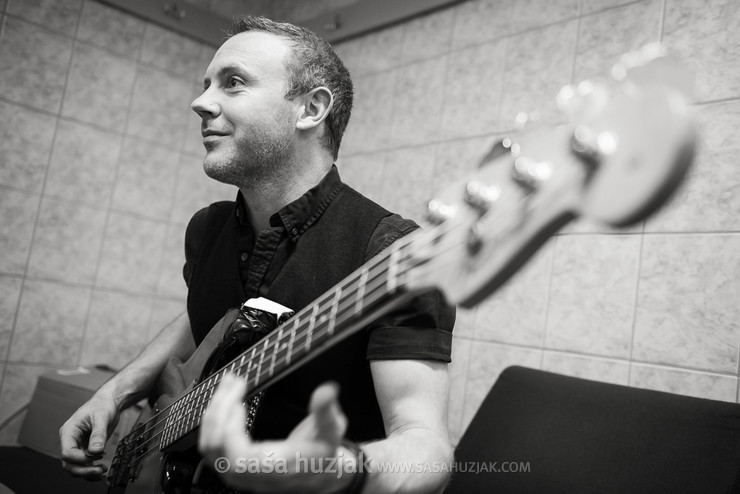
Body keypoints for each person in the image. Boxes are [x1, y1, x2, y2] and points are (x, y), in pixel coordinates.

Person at [60, 16, 455, 493]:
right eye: (207, 84)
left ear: (311, 109)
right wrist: (117, 390)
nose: (200, 102)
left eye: (233, 83)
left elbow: (427, 447)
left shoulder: (391, 252)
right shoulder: (207, 228)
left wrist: (338, 472)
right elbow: (204, 319)